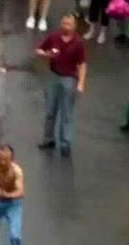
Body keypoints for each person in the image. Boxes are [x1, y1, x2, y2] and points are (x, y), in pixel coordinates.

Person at [35, 14, 87, 157]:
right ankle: (48, 139)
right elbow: (39, 50)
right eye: (64, 23)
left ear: (74, 26)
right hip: (53, 76)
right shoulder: (54, 37)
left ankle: (65, 143)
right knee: (50, 110)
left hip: (69, 79)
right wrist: (47, 55)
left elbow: (82, 64)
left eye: (69, 24)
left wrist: (81, 83)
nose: (66, 27)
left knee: (66, 113)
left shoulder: (78, 43)